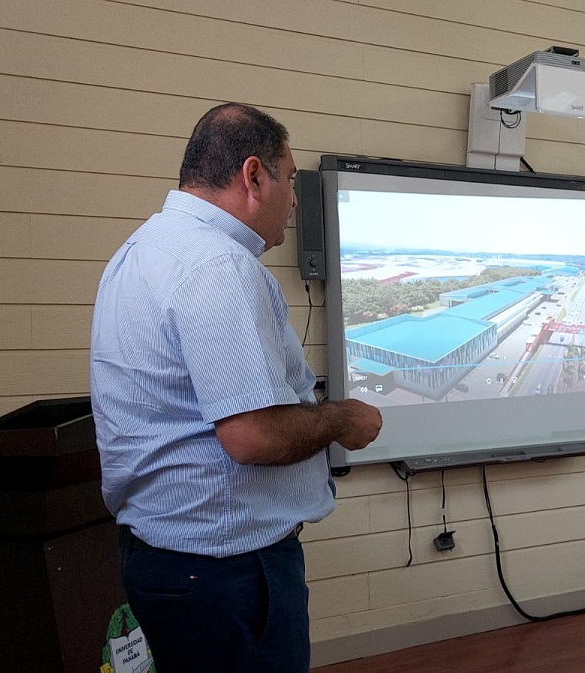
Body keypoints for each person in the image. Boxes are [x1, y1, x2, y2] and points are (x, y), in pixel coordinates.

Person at [90, 102, 383, 672]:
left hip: (170, 562)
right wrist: (340, 419)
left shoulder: (141, 250)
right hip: (226, 572)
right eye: (291, 180)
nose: (295, 200)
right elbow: (250, 435)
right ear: (254, 176)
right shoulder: (214, 264)